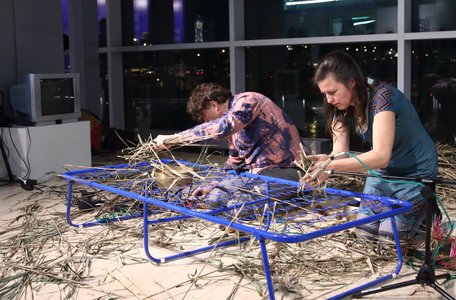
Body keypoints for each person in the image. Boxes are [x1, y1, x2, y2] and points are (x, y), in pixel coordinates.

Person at [303, 50, 438, 240]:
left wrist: (330, 165)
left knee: (388, 238)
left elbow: (381, 156)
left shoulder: (382, 98)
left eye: (332, 92)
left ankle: (425, 212)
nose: (329, 99)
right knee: (364, 232)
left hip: (415, 171)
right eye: (324, 94)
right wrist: (327, 167)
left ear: (352, 82)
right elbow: (340, 152)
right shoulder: (339, 107)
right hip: (383, 173)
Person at [154, 82, 304, 207]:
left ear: (214, 105)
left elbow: (221, 128)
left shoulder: (248, 101)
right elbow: (234, 161)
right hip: (258, 174)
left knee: (237, 204)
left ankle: (295, 193)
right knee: (214, 198)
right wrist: (213, 184)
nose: (206, 123)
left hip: (285, 171)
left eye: (204, 117)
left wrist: (175, 139)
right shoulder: (234, 125)